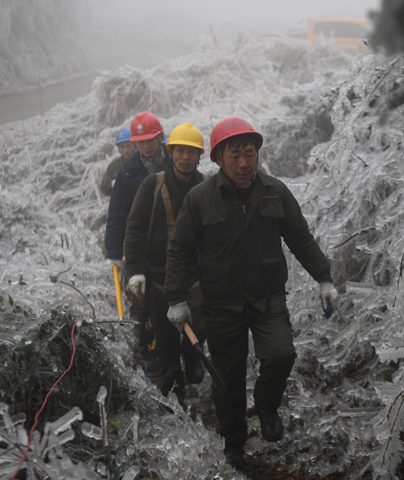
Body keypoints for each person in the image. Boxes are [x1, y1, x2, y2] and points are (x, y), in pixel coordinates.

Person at [162, 117, 338, 467]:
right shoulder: (200, 199)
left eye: (250, 154)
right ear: (218, 158)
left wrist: (324, 278)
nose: (244, 163)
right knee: (227, 379)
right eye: (235, 156)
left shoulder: (275, 191)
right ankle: (233, 441)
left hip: (267, 297)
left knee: (281, 354)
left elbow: (300, 238)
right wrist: (176, 299)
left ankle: (267, 405)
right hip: (221, 303)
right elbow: (180, 250)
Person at [123, 123, 209, 408]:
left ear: (199, 156)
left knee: (200, 323)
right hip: (157, 277)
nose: (185, 157)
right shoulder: (152, 184)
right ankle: (174, 390)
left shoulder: (207, 186)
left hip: (196, 276)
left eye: (191, 152)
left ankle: (193, 356)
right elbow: (135, 228)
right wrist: (135, 270)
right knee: (164, 336)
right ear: (170, 152)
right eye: (180, 151)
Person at [105, 112, 170, 359]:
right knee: (142, 301)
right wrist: (114, 252)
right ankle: (148, 353)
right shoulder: (127, 174)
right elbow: (117, 214)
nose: (146, 146)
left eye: (150, 139)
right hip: (140, 247)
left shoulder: (176, 162)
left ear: (160, 137)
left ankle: (181, 353)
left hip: (176, 244)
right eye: (140, 141)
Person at [99, 127, 136, 197]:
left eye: (129, 146)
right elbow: (104, 186)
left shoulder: (143, 161)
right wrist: (113, 183)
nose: (126, 150)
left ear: (135, 146)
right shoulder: (113, 166)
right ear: (118, 149)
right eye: (122, 147)